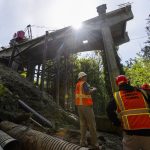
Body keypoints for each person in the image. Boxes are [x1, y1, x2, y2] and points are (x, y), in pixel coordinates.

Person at [107, 75, 150, 150]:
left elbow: (108, 109)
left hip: (130, 133)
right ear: (127, 82)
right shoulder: (142, 92)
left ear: (118, 84)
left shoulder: (117, 96)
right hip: (148, 131)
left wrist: (116, 123)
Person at [75, 72, 99, 148]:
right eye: (85, 76)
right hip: (86, 106)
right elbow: (87, 92)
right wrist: (94, 89)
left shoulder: (78, 84)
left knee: (83, 124)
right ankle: (95, 144)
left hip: (79, 106)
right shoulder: (84, 83)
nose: (86, 77)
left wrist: (89, 88)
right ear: (81, 77)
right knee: (92, 124)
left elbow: (82, 93)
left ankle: (82, 142)